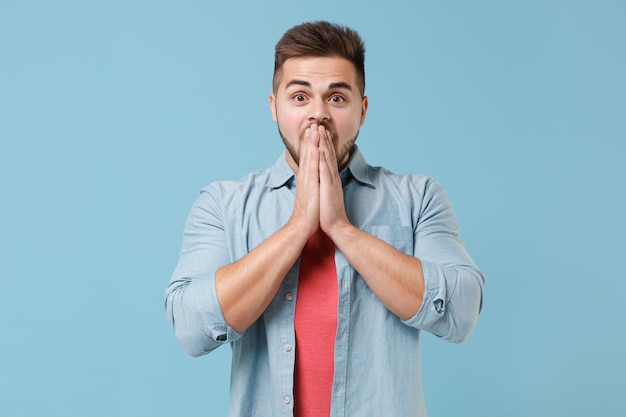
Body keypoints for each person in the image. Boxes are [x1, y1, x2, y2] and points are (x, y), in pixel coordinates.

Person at [165, 20, 484, 417]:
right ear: (274, 107)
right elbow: (192, 328)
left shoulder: (418, 197)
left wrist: (341, 228)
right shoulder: (223, 204)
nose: (318, 115)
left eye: (336, 98)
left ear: (362, 109)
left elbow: (461, 310)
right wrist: (299, 225)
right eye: (300, 97)